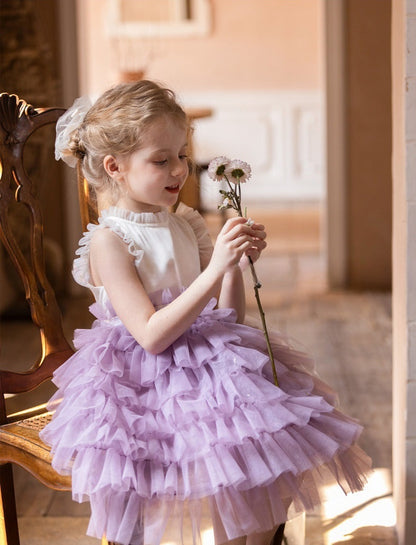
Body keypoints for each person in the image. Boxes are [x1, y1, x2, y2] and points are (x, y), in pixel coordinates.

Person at [40, 80, 371, 545]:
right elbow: (152, 336)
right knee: (202, 466)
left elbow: (227, 321)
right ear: (115, 167)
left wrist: (233, 267)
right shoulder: (109, 241)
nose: (179, 169)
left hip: (206, 362)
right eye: (161, 160)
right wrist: (213, 265)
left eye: (181, 154)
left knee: (260, 454)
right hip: (143, 381)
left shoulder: (186, 221)